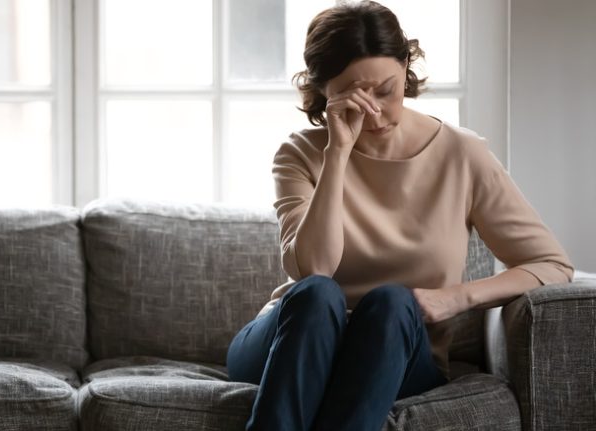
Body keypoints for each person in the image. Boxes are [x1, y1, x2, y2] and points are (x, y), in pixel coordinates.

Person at [225, 1, 575, 430]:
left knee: (393, 300)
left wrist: (456, 297)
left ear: (406, 68)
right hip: (293, 339)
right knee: (318, 294)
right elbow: (315, 268)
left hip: (398, 349)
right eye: (352, 95)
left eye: (385, 90)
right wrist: (338, 152)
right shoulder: (300, 153)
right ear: (324, 91)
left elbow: (552, 265)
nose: (372, 111)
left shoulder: (462, 155)